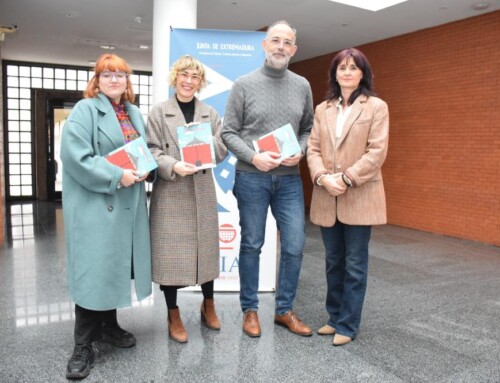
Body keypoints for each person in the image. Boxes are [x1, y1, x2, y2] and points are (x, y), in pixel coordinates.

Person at [60, 53, 152, 379]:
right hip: (97, 203)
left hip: (126, 203)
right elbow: (75, 157)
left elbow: (142, 151)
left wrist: (147, 170)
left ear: (128, 81)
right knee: (94, 270)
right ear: (96, 80)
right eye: (107, 74)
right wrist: (117, 176)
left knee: (114, 266)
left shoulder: (134, 112)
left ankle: (108, 326)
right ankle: (82, 344)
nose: (115, 80)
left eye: (121, 75)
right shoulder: (85, 110)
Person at [221, 20, 314, 338]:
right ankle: (250, 310)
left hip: (289, 179)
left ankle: (284, 310)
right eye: (275, 40)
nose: (281, 47)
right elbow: (228, 132)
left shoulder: (302, 85)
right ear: (264, 45)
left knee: (294, 245)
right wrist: (253, 157)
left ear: (294, 49)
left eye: (287, 42)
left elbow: (307, 128)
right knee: (251, 244)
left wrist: (300, 150)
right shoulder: (243, 84)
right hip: (251, 178)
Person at [307, 48, 389, 346]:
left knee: (354, 264)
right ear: (335, 74)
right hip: (328, 194)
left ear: (363, 73)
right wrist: (321, 177)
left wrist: (345, 178)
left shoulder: (376, 107)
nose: (347, 72)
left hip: (359, 195)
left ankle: (348, 324)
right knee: (332, 262)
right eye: (342, 68)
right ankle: (334, 317)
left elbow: (377, 152)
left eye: (354, 68)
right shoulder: (323, 109)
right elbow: (313, 148)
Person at [147, 55, 227, 343]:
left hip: (202, 190)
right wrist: (172, 165)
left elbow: (222, 146)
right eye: (184, 75)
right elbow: (151, 150)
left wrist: (209, 151)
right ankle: (173, 312)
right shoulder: (159, 112)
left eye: (195, 76)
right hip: (171, 191)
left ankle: (209, 304)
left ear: (201, 82)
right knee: (170, 256)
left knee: (204, 250)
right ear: (175, 77)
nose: (189, 81)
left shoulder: (210, 113)